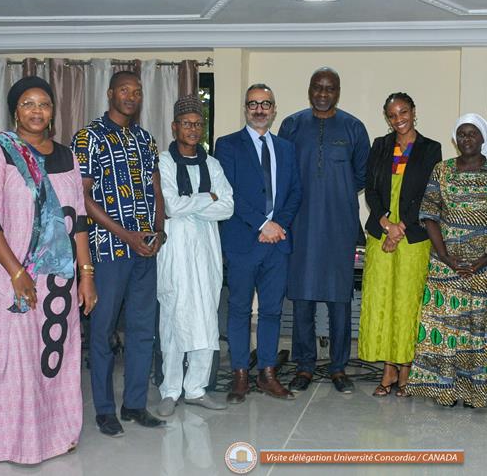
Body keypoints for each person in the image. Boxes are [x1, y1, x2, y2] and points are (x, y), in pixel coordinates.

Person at [0, 76, 97, 464]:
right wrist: (15, 272)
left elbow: (76, 220)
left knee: (54, 356)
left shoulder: (67, 156)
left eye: (44, 103)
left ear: (53, 111)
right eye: (28, 103)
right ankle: (11, 442)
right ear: (15, 110)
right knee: (14, 358)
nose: (37, 111)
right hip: (13, 274)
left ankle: (57, 435)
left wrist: (86, 274)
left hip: (57, 276)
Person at [72, 70, 166, 436]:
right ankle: (105, 410)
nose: (131, 96)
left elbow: (155, 190)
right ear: (110, 93)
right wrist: (126, 235)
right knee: (103, 331)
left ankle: (135, 404)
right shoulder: (88, 137)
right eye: (124, 90)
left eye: (137, 91)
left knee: (143, 331)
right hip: (109, 249)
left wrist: (158, 230)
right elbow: (82, 196)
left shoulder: (146, 139)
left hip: (146, 250)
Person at [406, 113, 487, 407]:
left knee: (479, 326)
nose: (467, 139)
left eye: (473, 134)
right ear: (455, 140)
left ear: (484, 138)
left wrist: (486, 258)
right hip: (447, 264)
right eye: (462, 134)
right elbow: (429, 214)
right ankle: (445, 389)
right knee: (448, 326)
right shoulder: (441, 170)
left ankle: (477, 392)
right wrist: (445, 256)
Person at [277, 67, 370, 394]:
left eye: (330, 88)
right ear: (309, 89)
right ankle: (304, 365)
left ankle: (338, 366)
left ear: (338, 91)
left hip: (339, 224)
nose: (323, 93)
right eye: (318, 87)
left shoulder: (354, 127)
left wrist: (334, 190)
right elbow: (283, 172)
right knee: (301, 297)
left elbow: (362, 176)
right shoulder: (291, 125)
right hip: (300, 223)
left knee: (339, 299)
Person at [215, 84, 302, 403]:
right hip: (243, 241)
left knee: (271, 311)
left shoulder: (286, 148)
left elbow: (295, 192)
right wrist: (263, 224)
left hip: (277, 244)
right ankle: (240, 374)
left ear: (274, 109)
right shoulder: (227, 145)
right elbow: (229, 193)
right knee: (238, 309)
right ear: (245, 108)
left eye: (266, 104)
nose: (260, 109)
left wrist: (278, 226)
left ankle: (267, 373)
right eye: (253, 104)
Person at [359, 92, 442, 397]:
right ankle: (388, 369)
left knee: (407, 303)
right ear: (387, 118)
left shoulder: (431, 148)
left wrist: (400, 228)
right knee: (381, 302)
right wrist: (385, 223)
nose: (399, 119)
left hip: (413, 236)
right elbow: (371, 189)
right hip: (381, 233)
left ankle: (406, 368)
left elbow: (428, 193)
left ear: (413, 112)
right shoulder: (380, 145)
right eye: (392, 115)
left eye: (403, 112)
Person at [156, 96, 234, 416]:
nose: (192, 129)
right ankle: (171, 389)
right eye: (186, 124)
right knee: (174, 316)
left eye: (198, 124)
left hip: (206, 250)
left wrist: (194, 204)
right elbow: (170, 207)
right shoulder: (164, 162)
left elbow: (227, 207)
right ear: (175, 127)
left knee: (205, 316)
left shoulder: (212, 164)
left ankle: (196, 388)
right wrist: (208, 199)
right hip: (174, 248)